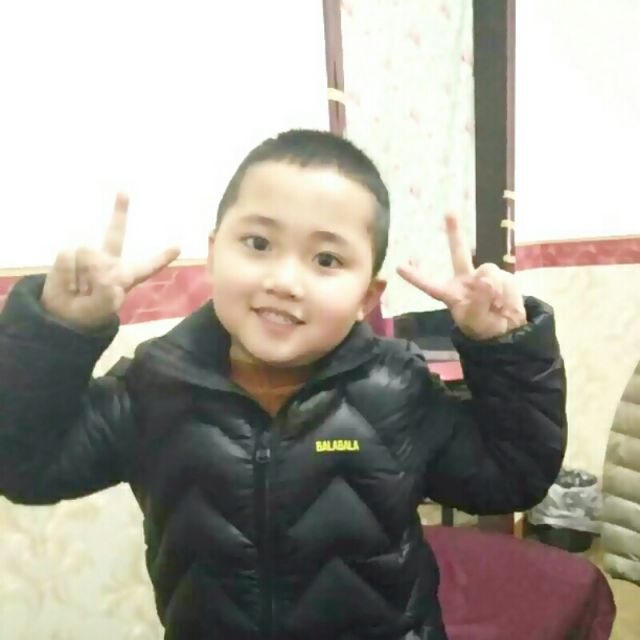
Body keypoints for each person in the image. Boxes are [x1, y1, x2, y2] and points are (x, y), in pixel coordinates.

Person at [0, 129, 566, 640]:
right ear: (213, 254)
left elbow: (512, 477)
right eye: (258, 244)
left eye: (327, 259)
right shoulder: (153, 387)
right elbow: (26, 466)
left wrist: (504, 349)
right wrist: (57, 333)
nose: (284, 280)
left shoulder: (396, 387)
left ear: (367, 297)